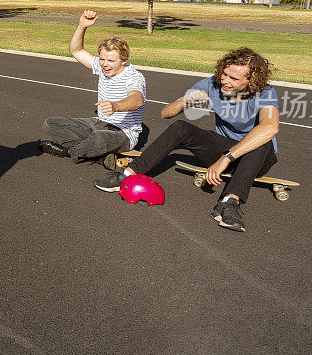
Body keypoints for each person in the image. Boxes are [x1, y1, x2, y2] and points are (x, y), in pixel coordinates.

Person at [93, 47, 279, 233]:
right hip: (223, 148)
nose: (225, 80)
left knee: (262, 139)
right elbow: (166, 114)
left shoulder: (265, 93)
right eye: (224, 73)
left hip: (256, 159)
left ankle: (229, 203)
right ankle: (126, 175)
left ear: (250, 81)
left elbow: (270, 127)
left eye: (234, 78)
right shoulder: (212, 84)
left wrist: (225, 159)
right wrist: (187, 101)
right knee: (180, 127)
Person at [38, 10, 146, 168]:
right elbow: (76, 51)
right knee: (51, 124)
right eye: (102, 59)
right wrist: (82, 26)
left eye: (110, 60)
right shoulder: (101, 67)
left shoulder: (134, 77)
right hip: (98, 123)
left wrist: (115, 106)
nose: (105, 64)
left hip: (123, 133)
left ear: (124, 60)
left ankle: (68, 151)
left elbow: (137, 100)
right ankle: (98, 156)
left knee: (100, 139)